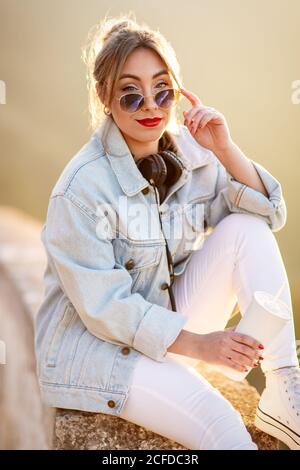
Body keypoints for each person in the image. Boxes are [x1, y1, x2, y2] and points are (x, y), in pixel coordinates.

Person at [34, 13, 300, 450]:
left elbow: (268, 216)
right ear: (104, 97)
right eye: (131, 96)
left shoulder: (191, 151)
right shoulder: (80, 190)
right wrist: (203, 346)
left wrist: (224, 149)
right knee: (222, 425)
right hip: (103, 350)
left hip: (167, 322)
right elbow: (106, 309)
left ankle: (285, 385)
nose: (153, 106)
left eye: (163, 90)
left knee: (244, 228)